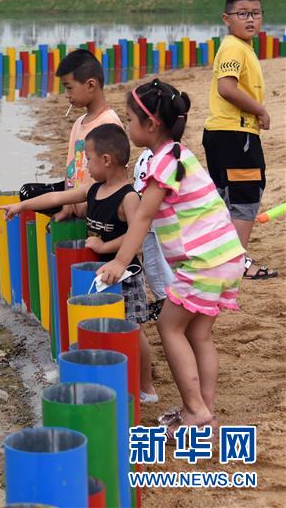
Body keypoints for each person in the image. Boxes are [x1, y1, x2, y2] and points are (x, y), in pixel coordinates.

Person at [98, 79, 245, 434]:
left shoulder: (162, 163)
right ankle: (203, 411)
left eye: (129, 119)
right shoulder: (180, 154)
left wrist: (120, 262)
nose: (127, 126)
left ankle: (195, 409)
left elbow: (143, 217)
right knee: (198, 334)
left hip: (203, 263)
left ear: (151, 124)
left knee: (168, 326)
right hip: (227, 256)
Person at [4, 124, 155, 397]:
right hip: (96, 275)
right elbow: (56, 196)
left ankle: (146, 386)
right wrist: (22, 205)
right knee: (100, 328)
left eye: (89, 159)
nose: (86, 164)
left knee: (132, 330)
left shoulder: (129, 197)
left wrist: (104, 246)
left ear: (106, 160)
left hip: (124, 276)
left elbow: (137, 235)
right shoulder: (93, 190)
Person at [203, 0, 275, 279]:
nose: (250, 19)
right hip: (235, 134)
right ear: (227, 18)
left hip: (223, 134)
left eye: (255, 13)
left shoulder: (240, 46)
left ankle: (222, 258)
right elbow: (227, 88)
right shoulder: (234, 47)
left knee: (226, 199)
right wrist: (260, 110)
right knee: (245, 197)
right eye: (242, 13)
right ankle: (237, 262)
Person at [56, 49, 123, 220]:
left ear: (91, 85)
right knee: (29, 192)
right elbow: (70, 169)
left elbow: (114, 175)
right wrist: (66, 206)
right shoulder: (78, 123)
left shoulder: (109, 123)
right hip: (77, 205)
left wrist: (92, 205)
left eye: (69, 88)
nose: (66, 95)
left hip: (97, 210)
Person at [132, 147, 176, 403]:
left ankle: (166, 310)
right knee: (158, 274)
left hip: (156, 229)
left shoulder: (159, 158)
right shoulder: (149, 156)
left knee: (162, 281)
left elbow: (147, 200)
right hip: (152, 229)